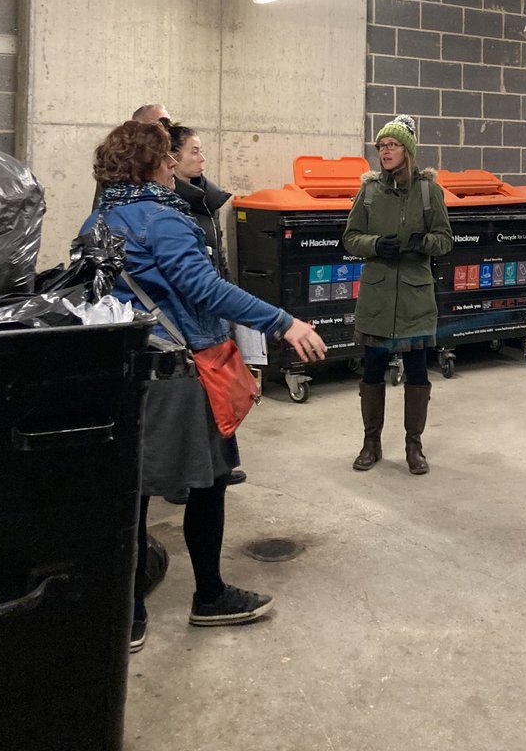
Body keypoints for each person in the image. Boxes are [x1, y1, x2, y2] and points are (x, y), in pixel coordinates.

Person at [80, 121, 326, 652]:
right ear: (151, 164)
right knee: (210, 482)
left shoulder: (98, 217)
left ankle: (128, 613)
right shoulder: (161, 222)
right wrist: (284, 322)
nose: (175, 165)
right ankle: (209, 596)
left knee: (134, 492)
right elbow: (205, 290)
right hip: (181, 372)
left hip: (129, 369)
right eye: (168, 157)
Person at [342, 115, 453, 475]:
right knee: (372, 371)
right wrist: (375, 245)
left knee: (418, 374)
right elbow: (350, 238)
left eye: (392, 145)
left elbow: (446, 239)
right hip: (377, 298)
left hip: (415, 301)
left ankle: (413, 445)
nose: (385, 151)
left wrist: (427, 243)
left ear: (409, 150)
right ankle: (370, 442)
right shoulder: (370, 191)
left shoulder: (428, 191)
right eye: (381, 146)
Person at [168, 123, 244, 491]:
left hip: (213, 309)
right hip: (187, 319)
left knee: (222, 389)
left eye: (201, 151)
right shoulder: (170, 205)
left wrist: (228, 297)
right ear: (172, 158)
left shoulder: (205, 198)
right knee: (193, 396)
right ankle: (185, 476)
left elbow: (219, 259)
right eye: (194, 151)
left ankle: (224, 461)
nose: (202, 158)